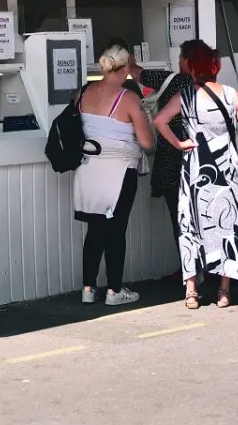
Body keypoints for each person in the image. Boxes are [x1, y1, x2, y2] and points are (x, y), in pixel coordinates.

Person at [152, 40, 238, 309]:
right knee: (226, 227)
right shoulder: (231, 94)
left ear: (190, 66)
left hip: (195, 171)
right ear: (215, 66)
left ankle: (191, 292)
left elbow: (159, 120)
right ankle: (224, 291)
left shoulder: (185, 96)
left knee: (190, 226)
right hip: (226, 170)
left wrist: (179, 144)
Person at [73, 42, 155, 306]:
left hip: (88, 169)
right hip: (119, 172)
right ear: (125, 68)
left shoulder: (83, 93)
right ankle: (114, 290)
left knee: (94, 229)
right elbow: (147, 142)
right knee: (115, 231)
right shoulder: (128, 98)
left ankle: (88, 289)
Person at [147, 40, 200, 266]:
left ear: (188, 61)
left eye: (180, 57)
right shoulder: (213, 90)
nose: (178, 61)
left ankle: (191, 273)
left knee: (181, 223)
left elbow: (140, 74)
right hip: (199, 166)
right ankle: (204, 272)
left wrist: (129, 64)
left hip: (173, 164)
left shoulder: (176, 82)